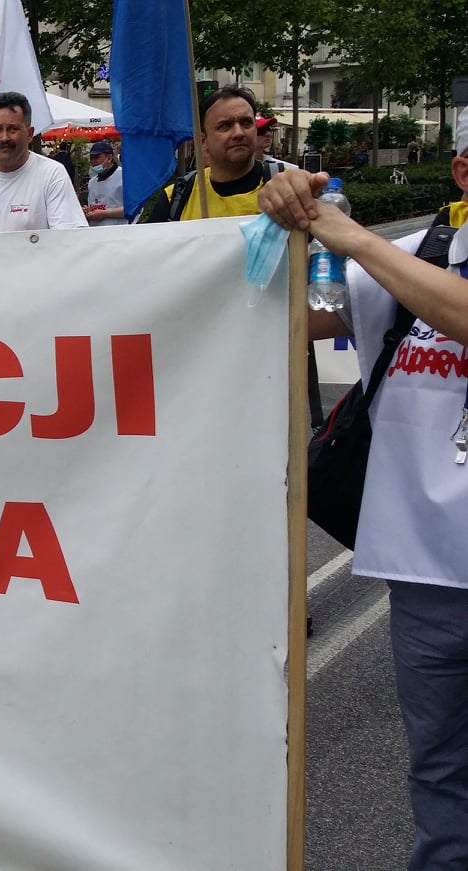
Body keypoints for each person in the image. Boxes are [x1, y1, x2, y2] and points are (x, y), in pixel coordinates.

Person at [261, 118, 468, 868]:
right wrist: (280, 218)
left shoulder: (391, 259)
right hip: (429, 579)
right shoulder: (423, 256)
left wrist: (351, 236)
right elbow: (287, 310)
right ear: (463, 172)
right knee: (441, 777)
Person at [0, 92, 88, 233]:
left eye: (13, 129)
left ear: (29, 134)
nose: (4, 137)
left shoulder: (51, 174)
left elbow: (68, 238)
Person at [142, 86, 274, 222]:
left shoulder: (283, 187)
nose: (238, 133)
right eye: (225, 126)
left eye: (246, 123)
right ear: (203, 141)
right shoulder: (176, 198)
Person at [85, 140, 127, 226]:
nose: (93, 161)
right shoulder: (92, 182)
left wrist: (105, 213)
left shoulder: (125, 176)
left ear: (109, 158)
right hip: (96, 230)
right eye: (91, 158)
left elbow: (135, 208)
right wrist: (88, 211)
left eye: (97, 157)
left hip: (119, 229)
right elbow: (96, 204)